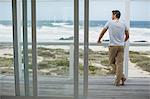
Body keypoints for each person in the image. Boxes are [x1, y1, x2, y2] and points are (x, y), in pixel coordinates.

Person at [97, 10, 129, 86]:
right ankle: (121, 79)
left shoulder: (110, 22)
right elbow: (127, 36)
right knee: (120, 64)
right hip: (121, 46)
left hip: (113, 46)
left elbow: (103, 32)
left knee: (111, 62)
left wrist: (99, 39)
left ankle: (120, 79)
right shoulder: (123, 23)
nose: (111, 16)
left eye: (112, 14)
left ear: (114, 15)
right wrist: (122, 42)